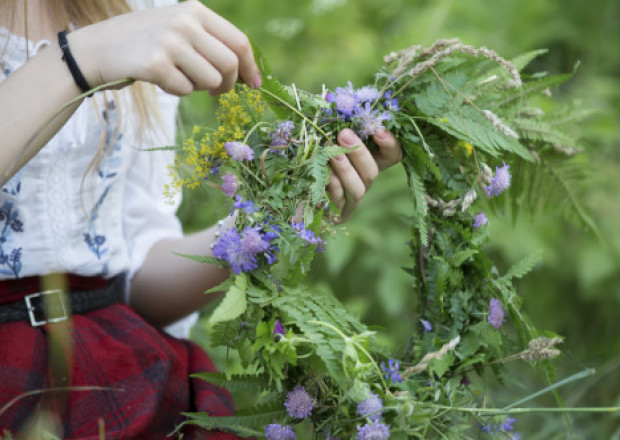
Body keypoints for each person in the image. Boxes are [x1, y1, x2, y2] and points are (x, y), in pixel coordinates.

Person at [0, 0, 403, 438]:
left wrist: (268, 221)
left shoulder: (136, 7)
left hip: (106, 360)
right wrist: (81, 59)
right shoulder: (117, 33)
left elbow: (134, 274)